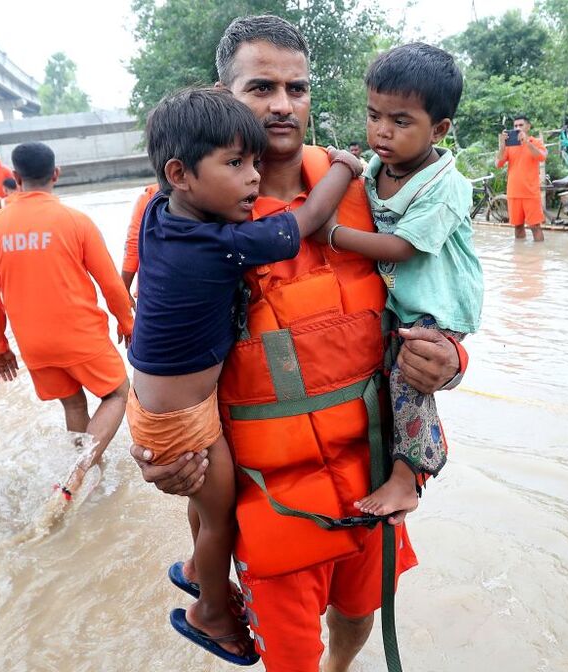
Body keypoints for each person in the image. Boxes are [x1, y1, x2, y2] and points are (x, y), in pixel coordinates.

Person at [130, 15, 466, 672]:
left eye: (297, 88)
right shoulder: (181, 214)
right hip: (270, 498)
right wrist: (153, 452)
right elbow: (151, 356)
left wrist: (451, 361)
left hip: (370, 478)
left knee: (359, 612)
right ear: (226, 95)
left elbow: (441, 291)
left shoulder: (371, 189)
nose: (283, 105)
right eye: (261, 88)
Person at [126, 86, 361, 665]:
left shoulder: (162, 213)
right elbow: (304, 220)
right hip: (181, 417)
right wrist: (347, 166)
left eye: (254, 162)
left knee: (209, 509)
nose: (253, 179)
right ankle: (209, 607)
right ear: (179, 172)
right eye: (236, 164)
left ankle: (192, 568)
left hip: (165, 401)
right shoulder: (218, 244)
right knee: (222, 517)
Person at [326, 43, 482, 517]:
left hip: (441, 302)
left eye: (400, 121)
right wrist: (346, 165)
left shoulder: (445, 184)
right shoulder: (381, 166)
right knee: (391, 376)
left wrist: (332, 233)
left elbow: (403, 247)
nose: (381, 131)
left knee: (408, 380)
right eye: (374, 116)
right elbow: (364, 183)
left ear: (439, 129)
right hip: (406, 299)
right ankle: (404, 468)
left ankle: (405, 480)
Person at [0, 142, 133, 500]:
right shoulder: (75, 221)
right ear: (56, 174)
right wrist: (126, 322)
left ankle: (79, 488)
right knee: (119, 393)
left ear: (14, 178)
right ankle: (78, 471)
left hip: (33, 342)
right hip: (79, 335)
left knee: (74, 403)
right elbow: (109, 281)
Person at [496, 114, 548, 241]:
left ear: (528, 127)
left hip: (530, 193)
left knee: (535, 227)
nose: (517, 128)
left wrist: (527, 143)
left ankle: (539, 258)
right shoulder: (509, 146)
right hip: (514, 193)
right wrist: (502, 145)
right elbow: (498, 164)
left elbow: (542, 156)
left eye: (521, 125)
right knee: (518, 227)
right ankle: (519, 258)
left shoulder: (535, 142)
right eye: (515, 126)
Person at [120, 182, 159, 297]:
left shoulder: (149, 198)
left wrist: (125, 290)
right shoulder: (207, 194)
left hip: (153, 290)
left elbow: (133, 244)